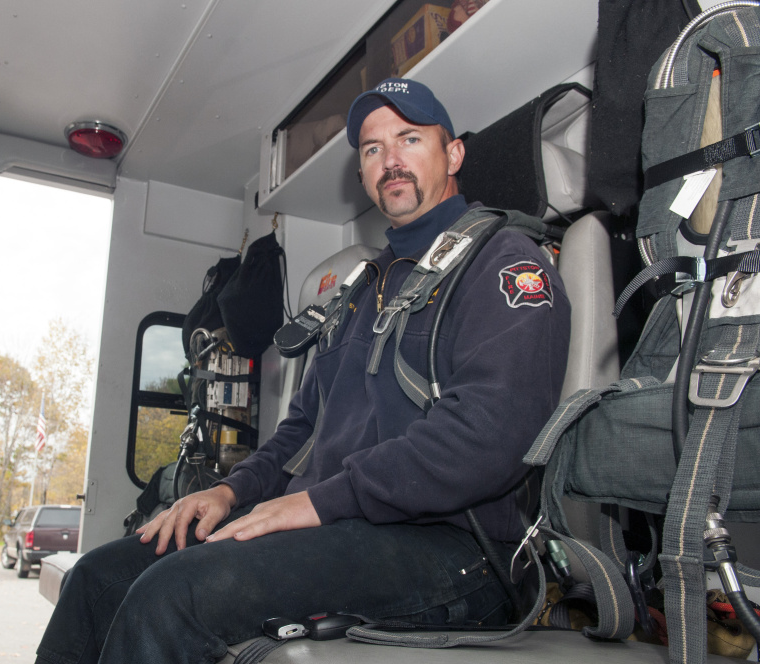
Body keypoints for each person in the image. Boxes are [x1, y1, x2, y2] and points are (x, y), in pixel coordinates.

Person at [35, 78, 571, 664]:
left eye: (409, 138)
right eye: (372, 149)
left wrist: (316, 503)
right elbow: (300, 431)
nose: (390, 160)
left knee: (174, 596)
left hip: (457, 549)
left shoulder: (506, 263)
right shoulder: (362, 289)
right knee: (99, 577)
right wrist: (230, 490)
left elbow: (491, 436)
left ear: (454, 153)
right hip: (342, 522)